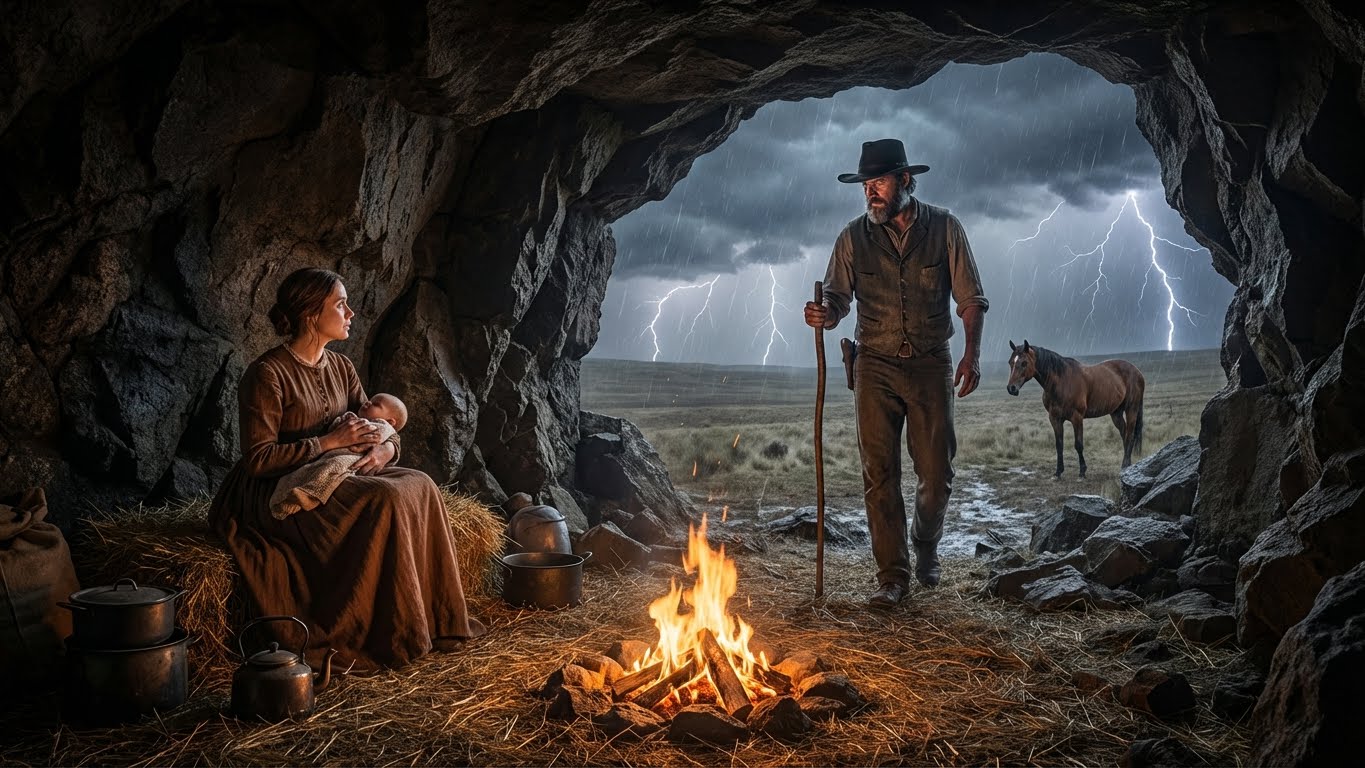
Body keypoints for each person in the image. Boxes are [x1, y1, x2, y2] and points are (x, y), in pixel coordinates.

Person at [209, 268, 486, 670]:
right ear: (310, 314)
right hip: (276, 491)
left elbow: (380, 425)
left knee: (422, 483)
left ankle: (436, 621)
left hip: (336, 472)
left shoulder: (341, 367)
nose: (351, 312)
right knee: (385, 498)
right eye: (340, 304)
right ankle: (386, 632)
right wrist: (328, 443)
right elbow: (258, 460)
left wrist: (387, 451)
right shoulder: (266, 374)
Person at [804, 139, 989, 610]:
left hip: (931, 364)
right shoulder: (852, 238)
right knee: (878, 474)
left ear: (905, 180)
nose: (872, 194)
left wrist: (971, 354)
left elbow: (969, 298)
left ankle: (925, 542)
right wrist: (825, 313)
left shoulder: (946, 228)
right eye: (866, 186)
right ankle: (892, 577)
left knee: (936, 472)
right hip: (874, 367)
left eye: (880, 183)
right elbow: (838, 300)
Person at [268, 393, 409, 520]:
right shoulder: (268, 372)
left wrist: (389, 448)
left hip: (353, 460)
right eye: (370, 400)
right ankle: (287, 494)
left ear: (390, 422)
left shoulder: (381, 425)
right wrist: (333, 438)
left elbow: (384, 433)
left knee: (418, 482)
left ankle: (308, 494)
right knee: (316, 469)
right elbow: (260, 458)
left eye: (375, 404)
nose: (367, 403)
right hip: (311, 456)